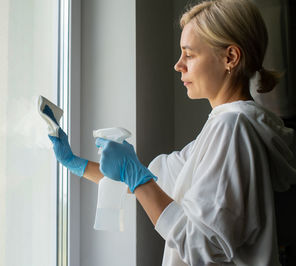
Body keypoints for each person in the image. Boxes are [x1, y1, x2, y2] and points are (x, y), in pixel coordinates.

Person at [44, 0, 296, 265]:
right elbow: (157, 180)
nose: (178, 65)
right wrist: (76, 163)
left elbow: (201, 247)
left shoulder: (233, 128)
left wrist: (137, 177)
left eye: (189, 54)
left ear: (230, 58)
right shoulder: (227, 127)